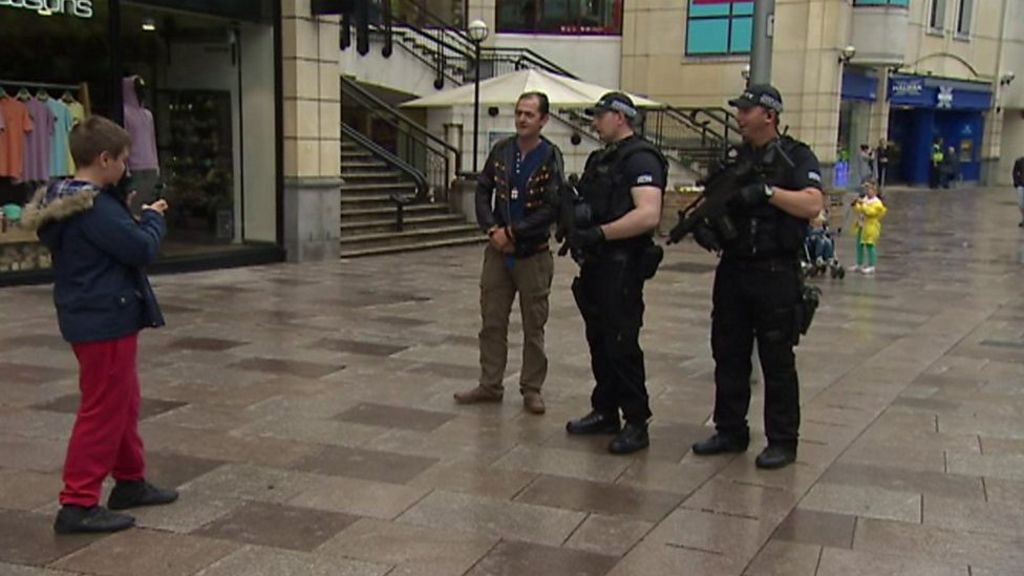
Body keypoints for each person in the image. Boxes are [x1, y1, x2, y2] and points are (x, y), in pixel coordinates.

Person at [20, 115, 177, 534]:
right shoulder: (94, 208)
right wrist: (153, 218)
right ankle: (78, 502)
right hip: (104, 317)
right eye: (123, 159)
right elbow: (140, 249)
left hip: (94, 313)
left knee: (122, 400)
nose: (126, 167)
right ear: (105, 159)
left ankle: (130, 480)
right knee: (103, 408)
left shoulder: (72, 200)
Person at [689, 84, 823, 469]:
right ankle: (730, 429)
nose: (739, 118)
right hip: (734, 269)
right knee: (728, 353)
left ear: (769, 115)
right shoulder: (735, 158)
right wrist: (707, 228)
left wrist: (767, 192)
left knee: (776, 359)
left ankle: (782, 439)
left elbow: (813, 203)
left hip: (775, 271)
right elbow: (714, 202)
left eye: (746, 111)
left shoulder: (795, 156)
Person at [564, 92, 667, 455]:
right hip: (595, 263)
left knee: (622, 343)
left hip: (622, 264)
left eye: (600, 116)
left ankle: (636, 421)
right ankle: (605, 409)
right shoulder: (600, 158)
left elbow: (648, 214)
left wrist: (601, 233)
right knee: (599, 340)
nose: (594, 123)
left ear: (620, 117)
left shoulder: (641, 158)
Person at [454, 92, 563, 415]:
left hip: (533, 253)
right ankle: (490, 383)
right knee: (491, 320)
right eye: (518, 113)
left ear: (543, 120)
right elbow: (483, 189)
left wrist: (515, 233)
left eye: (529, 114)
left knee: (534, 325)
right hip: (498, 251)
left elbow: (552, 206)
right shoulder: (502, 150)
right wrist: (492, 229)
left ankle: (532, 387)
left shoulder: (550, 156)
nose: (522, 119)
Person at [850, 180, 887, 274]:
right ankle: (859, 263)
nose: (867, 191)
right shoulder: (865, 199)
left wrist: (862, 204)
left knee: (870, 245)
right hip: (862, 225)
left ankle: (871, 265)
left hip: (871, 227)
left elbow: (870, 212)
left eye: (869, 188)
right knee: (859, 245)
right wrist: (855, 205)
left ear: (875, 190)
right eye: (866, 188)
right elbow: (860, 210)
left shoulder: (877, 203)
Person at [1014, 156, 1024, 227]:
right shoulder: (1019, 161)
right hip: (1021, 185)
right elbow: (1015, 172)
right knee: (1021, 204)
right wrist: (1017, 182)